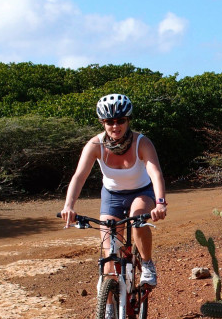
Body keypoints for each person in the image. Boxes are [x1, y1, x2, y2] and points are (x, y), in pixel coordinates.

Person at [60, 93, 167, 288]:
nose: (115, 126)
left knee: (137, 220)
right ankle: (109, 303)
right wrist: (69, 206)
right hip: (112, 196)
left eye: (120, 120)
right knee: (109, 257)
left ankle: (147, 264)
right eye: (110, 122)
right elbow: (79, 176)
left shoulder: (141, 142)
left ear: (128, 120)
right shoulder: (95, 145)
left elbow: (155, 173)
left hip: (141, 193)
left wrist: (160, 203)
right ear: (103, 122)